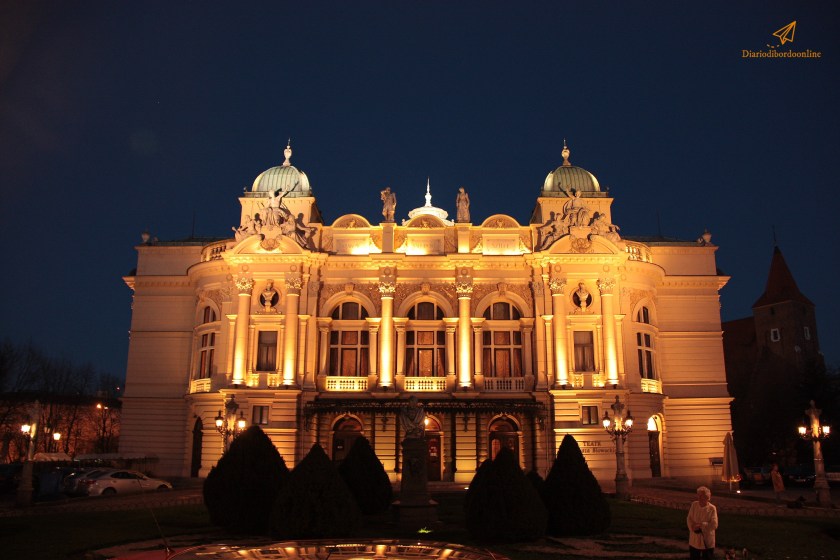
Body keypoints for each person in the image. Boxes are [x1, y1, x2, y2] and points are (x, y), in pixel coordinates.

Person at [686, 486, 718, 560]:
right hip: (694, 540)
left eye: (701, 495)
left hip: (707, 540)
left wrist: (702, 525)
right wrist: (692, 527)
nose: (699, 497)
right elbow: (689, 518)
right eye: (698, 495)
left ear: (707, 497)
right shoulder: (694, 505)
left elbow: (714, 524)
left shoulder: (712, 508)